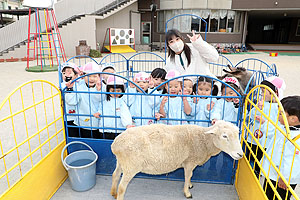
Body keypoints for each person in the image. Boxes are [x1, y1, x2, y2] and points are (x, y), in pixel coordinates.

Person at [246, 76, 286, 176]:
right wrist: (257, 109)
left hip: (265, 142)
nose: (261, 94)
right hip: (253, 138)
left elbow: (278, 127)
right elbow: (250, 116)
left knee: (260, 161)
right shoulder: (261, 103)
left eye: (264, 91)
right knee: (250, 157)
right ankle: (248, 175)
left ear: (275, 92)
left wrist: (264, 122)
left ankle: (256, 176)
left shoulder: (279, 108)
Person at [262, 95, 300, 200]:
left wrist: (285, 178)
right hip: (273, 173)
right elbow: (271, 133)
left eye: (281, 114)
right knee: (267, 194)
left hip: (283, 179)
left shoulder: (296, 139)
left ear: (293, 119)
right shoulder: (286, 128)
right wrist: (263, 122)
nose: (278, 116)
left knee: (279, 197)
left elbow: (294, 161)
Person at [65, 62, 102, 138]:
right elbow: (71, 101)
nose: (91, 79)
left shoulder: (102, 86)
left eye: (95, 76)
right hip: (83, 121)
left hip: (99, 122)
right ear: (83, 76)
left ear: (99, 77)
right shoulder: (78, 85)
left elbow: (106, 102)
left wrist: (99, 92)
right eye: (88, 76)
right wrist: (70, 89)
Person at [94, 75, 134, 139]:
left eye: (118, 91)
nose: (115, 93)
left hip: (119, 129)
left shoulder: (122, 101)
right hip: (105, 129)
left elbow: (125, 113)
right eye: (112, 91)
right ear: (108, 90)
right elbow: (100, 107)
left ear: (122, 91)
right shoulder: (105, 100)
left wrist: (127, 124)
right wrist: (99, 112)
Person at [60, 62, 80, 137]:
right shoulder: (62, 85)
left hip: (78, 114)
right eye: (64, 73)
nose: (66, 75)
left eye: (70, 73)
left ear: (75, 75)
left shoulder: (79, 84)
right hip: (68, 115)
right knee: (71, 133)